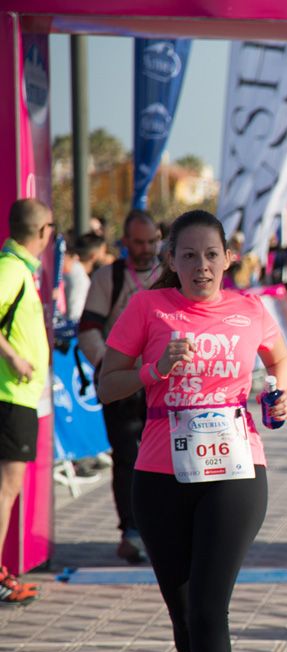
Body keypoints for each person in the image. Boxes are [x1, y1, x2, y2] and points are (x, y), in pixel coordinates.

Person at [97, 209, 287, 652]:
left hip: (236, 469)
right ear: (170, 261)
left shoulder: (250, 309)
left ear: (228, 259)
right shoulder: (147, 310)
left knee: (210, 606)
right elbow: (108, 383)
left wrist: (280, 397)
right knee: (184, 614)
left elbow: (279, 363)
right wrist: (155, 370)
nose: (201, 266)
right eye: (188, 256)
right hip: (160, 474)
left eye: (211, 255)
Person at [79, 209, 164, 564]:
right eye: (138, 243)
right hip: (124, 384)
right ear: (125, 242)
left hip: (164, 382)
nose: (145, 249)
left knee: (166, 456)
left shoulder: (170, 275)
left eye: (151, 242)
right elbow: (88, 328)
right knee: (127, 458)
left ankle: (164, 528)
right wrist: (106, 364)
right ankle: (131, 531)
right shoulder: (107, 277)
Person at [0, 199, 53, 606]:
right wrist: (13, 356)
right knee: (6, 487)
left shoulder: (21, 270)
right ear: (43, 232)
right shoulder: (11, 269)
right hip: (9, 396)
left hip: (19, 397)